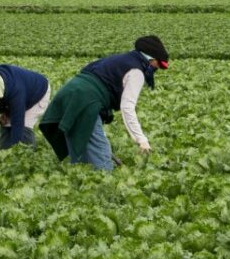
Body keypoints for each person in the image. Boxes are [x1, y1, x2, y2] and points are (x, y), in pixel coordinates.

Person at [39, 36, 169, 171]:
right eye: (158, 64)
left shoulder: (123, 58)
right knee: (102, 160)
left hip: (70, 93)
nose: (157, 68)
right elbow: (127, 107)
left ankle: (80, 176)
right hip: (85, 101)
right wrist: (141, 139)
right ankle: (101, 175)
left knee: (82, 151)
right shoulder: (137, 72)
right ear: (151, 59)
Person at [0, 64, 51, 149]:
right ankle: (4, 151)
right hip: (19, 89)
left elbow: (18, 123)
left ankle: (27, 153)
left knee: (23, 129)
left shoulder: (16, 93)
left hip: (38, 92)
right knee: (6, 124)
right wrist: (4, 112)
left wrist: (16, 149)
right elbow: (1, 102)